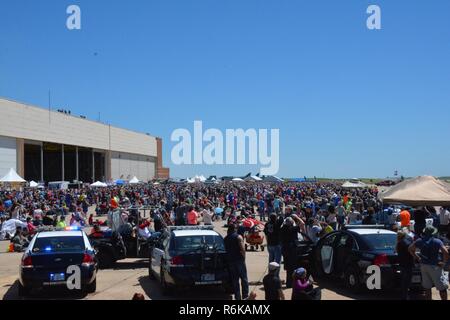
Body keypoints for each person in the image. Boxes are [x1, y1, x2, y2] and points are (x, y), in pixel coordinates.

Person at [409, 226, 449, 300]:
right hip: (435, 266)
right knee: (442, 287)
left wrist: (417, 257)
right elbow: (446, 252)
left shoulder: (419, 240)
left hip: (423, 266)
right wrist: (444, 263)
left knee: (427, 287)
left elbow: (410, 249)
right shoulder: (437, 241)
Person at [224, 224, 249, 300]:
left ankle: (238, 297)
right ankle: (245, 296)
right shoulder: (238, 237)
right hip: (239, 261)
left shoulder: (225, 238)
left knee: (235, 280)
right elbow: (242, 249)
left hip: (231, 261)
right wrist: (243, 258)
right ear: (235, 229)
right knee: (244, 279)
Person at [396, 230, 414, 300]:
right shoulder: (406, 242)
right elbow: (411, 250)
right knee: (407, 281)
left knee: (404, 281)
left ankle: (404, 295)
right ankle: (405, 296)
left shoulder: (399, 243)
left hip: (402, 264)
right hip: (408, 264)